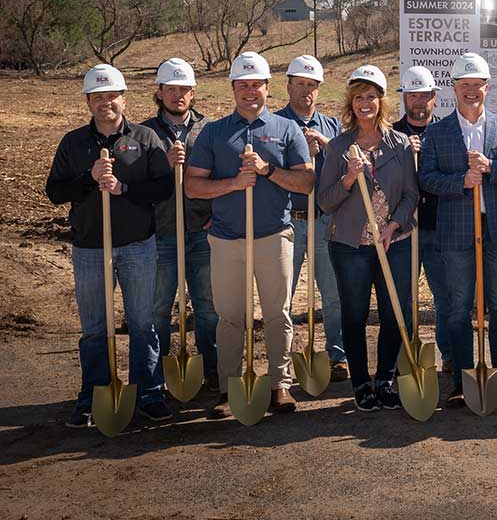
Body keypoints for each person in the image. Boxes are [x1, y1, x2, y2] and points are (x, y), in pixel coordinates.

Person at [185, 52, 314, 419]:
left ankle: (280, 385)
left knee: (278, 313)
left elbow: (306, 182)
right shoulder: (214, 132)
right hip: (227, 240)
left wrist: (267, 170)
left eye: (256, 84)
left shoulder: (286, 130)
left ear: (267, 88)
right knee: (230, 317)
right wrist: (234, 183)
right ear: (233, 88)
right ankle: (231, 387)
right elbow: (193, 187)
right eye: (243, 84)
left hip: (274, 236)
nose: (250, 91)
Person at [47, 64, 174, 428]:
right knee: (95, 327)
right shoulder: (73, 143)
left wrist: (124, 189)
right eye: (98, 97)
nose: (106, 103)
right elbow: (55, 192)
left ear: (123, 98)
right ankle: (93, 394)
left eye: (112, 96)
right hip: (90, 249)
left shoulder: (145, 138)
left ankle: (149, 393)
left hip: (138, 246)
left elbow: (162, 188)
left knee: (142, 323)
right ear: (89, 101)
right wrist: (88, 180)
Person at [417, 52, 497, 409]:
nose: (471, 91)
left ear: (487, 87)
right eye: (464, 85)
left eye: (476, 85)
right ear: (454, 89)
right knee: (457, 306)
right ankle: (461, 379)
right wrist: (461, 181)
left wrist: (490, 167)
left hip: (496, 229)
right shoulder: (437, 132)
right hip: (455, 233)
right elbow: (426, 179)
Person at [318, 66, 420, 412]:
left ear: (382, 101)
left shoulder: (400, 143)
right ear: (351, 102)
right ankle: (361, 382)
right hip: (350, 247)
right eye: (359, 96)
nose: (365, 103)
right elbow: (325, 200)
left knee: (395, 312)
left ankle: (386, 380)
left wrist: (395, 225)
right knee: (355, 313)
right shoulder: (338, 147)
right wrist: (348, 179)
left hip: (394, 242)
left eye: (371, 96)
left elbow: (411, 195)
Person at [141, 58, 220, 395]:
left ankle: (213, 371)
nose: (177, 95)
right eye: (170, 89)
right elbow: (137, 183)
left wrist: (218, 215)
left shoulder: (210, 130)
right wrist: (165, 165)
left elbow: (220, 175)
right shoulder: (143, 133)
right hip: (162, 235)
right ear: (159, 92)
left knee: (208, 307)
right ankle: (155, 378)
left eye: (183, 89)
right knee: (158, 310)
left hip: (202, 231)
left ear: (193, 92)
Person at [276, 55, 347, 382]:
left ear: (319, 89)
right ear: (289, 85)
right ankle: (283, 361)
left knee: (333, 295)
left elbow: (350, 164)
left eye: (312, 85)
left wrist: (325, 146)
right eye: (300, 83)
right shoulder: (275, 123)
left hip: (324, 221)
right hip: (287, 222)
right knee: (283, 298)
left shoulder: (331, 126)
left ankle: (338, 355)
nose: (306, 90)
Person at [393, 65, 452, 372]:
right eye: (412, 95)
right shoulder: (390, 135)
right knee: (403, 298)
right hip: (404, 231)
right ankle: (405, 355)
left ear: (434, 98)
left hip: (440, 229)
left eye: (424, 96)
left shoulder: (447, 133)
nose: (418, 101)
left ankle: (451, 358)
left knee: (446, 298)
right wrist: (405, 153)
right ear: (404, 98)